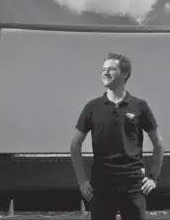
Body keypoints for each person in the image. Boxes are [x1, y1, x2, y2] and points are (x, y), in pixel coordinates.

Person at [70, 53, 164, 220]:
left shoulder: (140, 106)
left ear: (125, 74)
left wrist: (153, 177)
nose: (105, 72)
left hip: (134, 185)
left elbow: (158, 144)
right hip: (101, 185)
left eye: (111, 69)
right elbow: (75, 145)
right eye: (103, 69)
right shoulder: (92, 107)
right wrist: (82, 181)